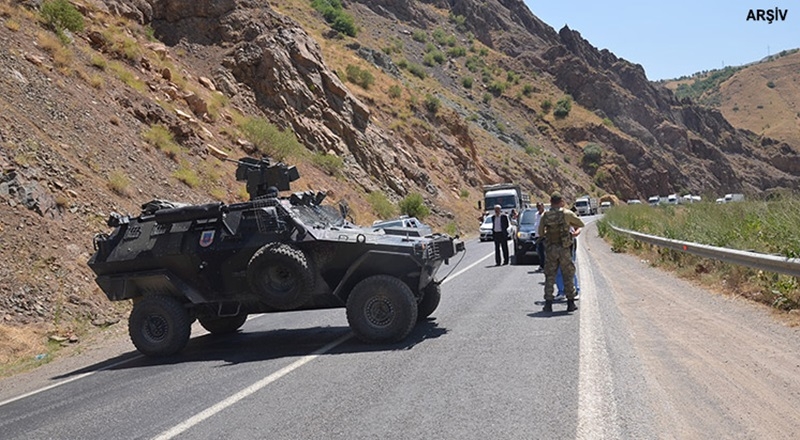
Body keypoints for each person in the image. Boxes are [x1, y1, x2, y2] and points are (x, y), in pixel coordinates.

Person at [537, 193, 584, 312]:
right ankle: (570, 303)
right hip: (564, 249)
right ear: (561, 201)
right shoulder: (567, 213)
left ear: (551, 201)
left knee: (550, 276)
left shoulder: (545, 215)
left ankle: (548, 304)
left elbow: (540, 233)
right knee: (568, 275)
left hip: (551, 249)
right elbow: (580, 224)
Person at [554, 226, 580, 300]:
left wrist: (575, 233)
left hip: (569, 243)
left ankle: (575, 292)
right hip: (556, 244)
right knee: (558, 269)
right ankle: (561, 292)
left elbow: (579, 226)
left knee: (569, 268)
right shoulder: (551, 216)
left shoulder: (569, 215)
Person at [532, 202, 546, 271]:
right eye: (537, 207)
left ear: (543, 206)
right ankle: (541, 266)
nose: (538, 208)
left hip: (544, 236)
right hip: (537, 236)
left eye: (540, 206)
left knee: (545, 252)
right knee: (539, 252)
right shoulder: (536, 214)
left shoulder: (546, 214)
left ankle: (546, 267)